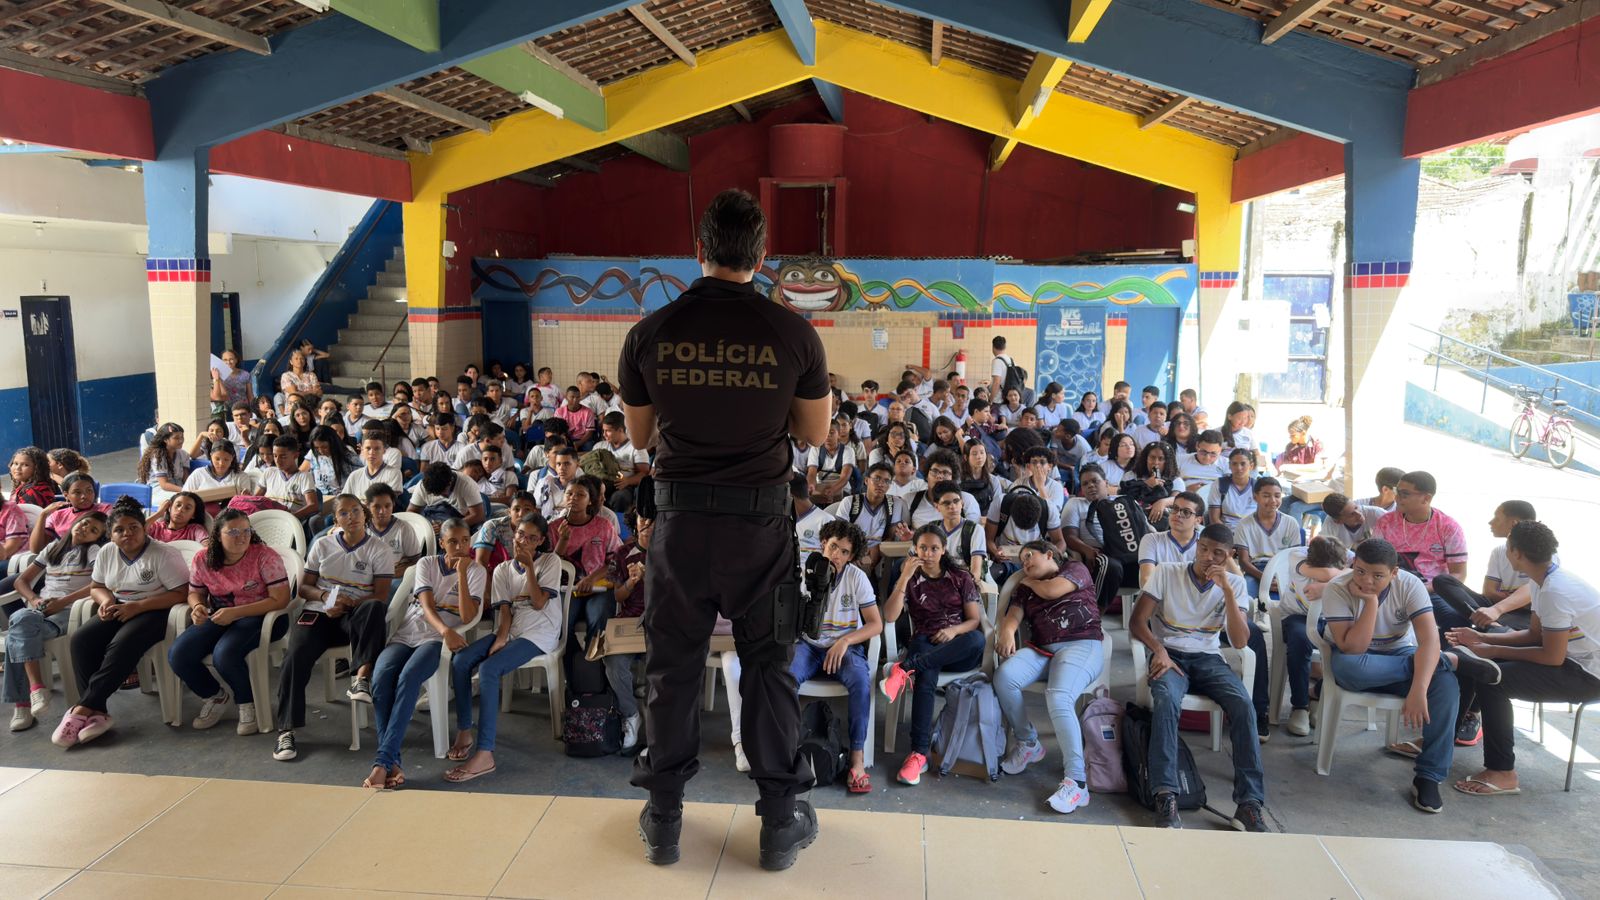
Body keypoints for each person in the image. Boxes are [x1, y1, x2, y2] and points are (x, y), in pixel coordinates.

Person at [618, 189, 830, 870]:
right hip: (759, 530)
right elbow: (814, 432)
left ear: (699, 250)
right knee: (767, 668)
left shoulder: (649, 333)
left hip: (680, 527)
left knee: (672, 668)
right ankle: (778, 824)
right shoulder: (794, 333)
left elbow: (641, 436)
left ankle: (665, 820)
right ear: (761, 256)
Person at [1322, 538, 1498, 813]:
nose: (1366, 580)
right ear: (1353, 564)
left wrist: (1418, 689)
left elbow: (1429, 641)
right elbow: (1353, 648)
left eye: (1377, 575)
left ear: (1394, 573)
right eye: (1361, 571)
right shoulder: (1337, 588)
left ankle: (1429, 776)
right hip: (1360, 660)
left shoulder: (1410, 585)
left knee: (1445, 685)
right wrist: (1370, 603)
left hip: (1401, 654)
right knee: (1347, 668)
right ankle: (1449, 660)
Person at [1129, 524, 1268, 831]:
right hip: (1170, 654)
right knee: (1166, 700)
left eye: (1217, 553)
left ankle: (1249, 803)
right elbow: (1137, 622)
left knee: (1243, 705)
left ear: (1228, 556)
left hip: (1208, 658)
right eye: (1203, 548)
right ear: (1196, 546)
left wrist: (1227, 591)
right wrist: (1158, 650)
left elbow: (1240, 641)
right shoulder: (1167, 572)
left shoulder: (1235, 584)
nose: (1207, 557)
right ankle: (1165, 793)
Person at [1447, 521, 1600, 797]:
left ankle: (1502, 772)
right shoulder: (1543, 579)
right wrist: (1481, 639)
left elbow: (1551, 657)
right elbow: (1534, 635)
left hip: (1589, 675)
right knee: (1477, 664)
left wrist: (1491, 650)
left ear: (1516, 553)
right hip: (1572, 661)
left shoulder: (1555, 590)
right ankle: (1443, 738)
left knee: (1493, 680)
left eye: (1508, 547)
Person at [52, 497, 189, 748]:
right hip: (120, 605)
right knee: (81, 640)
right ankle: (98, 712)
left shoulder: (163, 554)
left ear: (144, 528)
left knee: (122, 643)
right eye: (119, 530)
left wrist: (139, 606)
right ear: (110, 535)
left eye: (134, 527)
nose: (127, 533)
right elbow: (97, 586)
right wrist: (105, 601)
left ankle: (82, 709)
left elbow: (181, 593)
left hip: (157, 609)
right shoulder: (107, 552)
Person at [271, 494, 396, 762]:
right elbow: (304, 588)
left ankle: (362, 678)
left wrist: (348, 603)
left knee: (375, 608)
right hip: (319, 612)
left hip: (354, 615)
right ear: (336, 519)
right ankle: (286, 730)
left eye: (356, 511)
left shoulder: (379, 549)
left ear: (364, 513)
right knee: (294, 657)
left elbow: (381, 594)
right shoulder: (322, 545)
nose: (351, 517)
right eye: (343, 513)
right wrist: (326, 597)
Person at [366, 518, 484, 789]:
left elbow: (468, 615)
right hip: (409, 633)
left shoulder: (476, 571)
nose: (460, 546)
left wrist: (462, 575)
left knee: (408, 678)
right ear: (442, 543)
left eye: (465, 541)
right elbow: (427, 606)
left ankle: (382, 763)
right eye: (452, 541)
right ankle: (391, 762)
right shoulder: (426, 564)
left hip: (434, 643)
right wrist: (446, 630)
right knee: (380, 680)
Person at [446, 512, 563, 782]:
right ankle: (464, 730)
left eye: (532, 538)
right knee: (461, 661)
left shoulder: (551, 561)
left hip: (540, 632)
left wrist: (530, 567)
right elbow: (506, 611)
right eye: (520, 534)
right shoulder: (502, 569)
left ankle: (485, 753)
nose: (523, 541)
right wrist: (501, 636)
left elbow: (539, 603)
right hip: (513, 631)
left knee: (489, 669)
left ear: (541, 541)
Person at [993, 540, 1104, 811]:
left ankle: (1077, 783)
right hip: (1043, 650)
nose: (1025, 563)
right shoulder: (1024, 588)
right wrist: (1007, 631)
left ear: (1050, 554)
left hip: (1081, 645)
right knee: (1004, 677)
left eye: (1030, 555)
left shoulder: (1074, 569)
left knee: (1059, 697)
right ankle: (1028, 743)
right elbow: (1013, 615)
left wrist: (1027, 580)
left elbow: (1053, 590)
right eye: (1021, 560)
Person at [879, 524, 985, 787]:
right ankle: (918, 754)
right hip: (925, 640)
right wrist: (904, 577)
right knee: (926, 679)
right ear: (914, 549)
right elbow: (889, 615)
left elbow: (974, 621)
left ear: (944, 549)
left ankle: (905, 668)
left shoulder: (960, 577)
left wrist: (953, 631)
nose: (928, 554)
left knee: (977, 639)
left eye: (934, 548)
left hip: (959, 644)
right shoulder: (909, 576)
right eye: (923, 548)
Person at [169, 510, 292, 735]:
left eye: (246, 531)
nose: (242, 537)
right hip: (221, 616)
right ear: (217, 535)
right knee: (179, 653)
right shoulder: (203, 559)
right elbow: (195, 593)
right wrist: (197, 607)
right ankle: (215, 696)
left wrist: (235, 613)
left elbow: (280, 599)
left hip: (263, 617)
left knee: (225, 654)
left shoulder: (264, 556)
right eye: (233, 532)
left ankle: (247, 702)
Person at [5, 511, 106, 732]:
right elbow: (21, 581)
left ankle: (23, 704)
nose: (85, 529)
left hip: (70, 611)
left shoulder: (93, 551)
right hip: (41, 610)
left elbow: (99, 583)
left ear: (97, 538)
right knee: (20, 622)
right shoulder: (53, 548)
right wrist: (35, 599)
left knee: (16, 631)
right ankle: (36, 690)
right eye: (85, 523)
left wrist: (63, 602)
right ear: (76, 522)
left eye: (93, 530)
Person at [1373, 471, 1468, 629]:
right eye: (1397, 491)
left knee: (1456, 619)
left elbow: (1458, 574)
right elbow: (1373, 560)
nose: (1397, 498)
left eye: (1404, 494)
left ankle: (1439, 646)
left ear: (1426, 498)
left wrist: (1422, 589)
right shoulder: (1386, 522)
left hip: (1431, 591)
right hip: (1389, 587)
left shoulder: (1448, 527)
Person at [1276, 536, 1346, 737]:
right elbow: (1327, 573)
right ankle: (1300, 705)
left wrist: (1325, 587)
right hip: (1297, 617)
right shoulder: (1296, 556)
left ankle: (1316, 694)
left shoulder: (1347, 557)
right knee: (1300, 639)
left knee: (1349, 645)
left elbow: (1357, 573)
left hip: (1331, 618)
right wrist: (1341, 577)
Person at [1434, 500, 1540, 633]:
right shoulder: (1499, 551)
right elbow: (1489, 592)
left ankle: (1489, 625)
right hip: (1495, 609)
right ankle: (1489, 623)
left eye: (1497, 518)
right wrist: (1513, 601)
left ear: (1514, 523)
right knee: (1442, 581)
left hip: (1525, 614)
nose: (1491, 522)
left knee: (1528, 622)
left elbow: (1533, 589)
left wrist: (1499, 608)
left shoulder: (1541, 550)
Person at [29, 473, 110, 554]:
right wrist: (43, 515)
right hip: (64, 558)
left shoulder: (105, 509)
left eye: (89, 490)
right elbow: (36, 549)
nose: (84, 496)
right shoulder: (57, 515)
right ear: (66, 495)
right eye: (77, 492)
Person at [257, 435, 321, 520]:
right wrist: (247, 497)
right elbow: (256, 498)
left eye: (283, 457)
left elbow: (313, 505)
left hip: (290, 521)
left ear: (295, 455)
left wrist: (291, 518)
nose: (277, 461)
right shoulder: (269, 472)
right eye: (275, 456)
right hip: (268, 519)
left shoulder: (304, 477)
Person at [182, 439, 253, 516]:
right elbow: (184, 496)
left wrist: (245, 498)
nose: (221, 463)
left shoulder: (241, 477)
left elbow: (245, 505)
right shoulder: (198, 474)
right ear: (211, 456)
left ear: (232, 458)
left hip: (231, 517)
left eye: (226, 459)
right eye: (217, 459)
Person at [1120, 441, 1183, 525]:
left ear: (1167, 461)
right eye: (1152, 458)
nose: (1156, 462)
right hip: (1132, 518)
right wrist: (1145, 484)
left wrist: (1162, 502)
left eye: (1161, 459)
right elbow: (1122, 495)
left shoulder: (1176, 480)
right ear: (1146, 458)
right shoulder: (1131, 475)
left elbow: (1177, 499)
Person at [136, 423, 190, 506]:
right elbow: (164, 485)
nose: (181, 441)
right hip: (158, 491)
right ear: (165, 440)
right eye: (176, 438)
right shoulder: (158, 456)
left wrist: (190, 489)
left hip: (179, 489)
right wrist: (185, 491)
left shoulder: (183, 454)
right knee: (180, 500)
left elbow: (186, 479)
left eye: (182, 437)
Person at [1206, 448, 1257, 528]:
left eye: (1243, 464)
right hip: (1225, 531)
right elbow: (1214, 519)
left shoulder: (1258, 487)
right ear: (1229, 465)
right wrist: (1227, 534)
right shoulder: (1219, 484)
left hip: (1251, 531)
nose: (1238, 468)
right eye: (1234, 464)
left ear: (1251, 466)